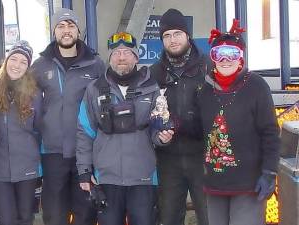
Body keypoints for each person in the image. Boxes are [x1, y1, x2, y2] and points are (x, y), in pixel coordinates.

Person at [76, 31, 173, 225]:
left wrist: (163, 137)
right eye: (116, 53)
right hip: (106, 178)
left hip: (143, 177)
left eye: (127, 52)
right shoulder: (94, 89)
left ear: (136, 57)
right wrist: (84, 171)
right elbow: (85, 132)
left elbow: (157, 126)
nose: (121, 57)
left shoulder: (152, 87)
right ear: (109, 58)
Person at [198, 19, 280, 225]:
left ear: (241, 57)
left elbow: (270, 133)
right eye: (219, 54)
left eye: (232, 54)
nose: (226, 60)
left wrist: (269, 172)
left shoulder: (256, 86)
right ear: (213, 58)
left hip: (248, 183)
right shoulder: (205, 89)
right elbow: (198, 128)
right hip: (215, 183)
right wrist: (172, 126)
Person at [32, 8, 105, 225]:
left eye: (71, 26)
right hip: (52, 152)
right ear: (54, 32)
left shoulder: (95, 64)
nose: (66, 31)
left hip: (86, 153)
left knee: (85, 215)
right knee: (55, 216)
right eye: (61, 26)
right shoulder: (39, 66)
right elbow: (28, 107)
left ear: (78, 31)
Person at [149, 8, 210, 225]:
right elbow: (149, 115)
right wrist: (158, 134)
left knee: (210, 216)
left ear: (187, 35)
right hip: (168, 160)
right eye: (166, 35)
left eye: (177, 33)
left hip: (203, 157)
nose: (172, 40)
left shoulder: (207, 67)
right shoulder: (154, 73)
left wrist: (186, 124)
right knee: (168, 218)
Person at [0, 40, 42, 225]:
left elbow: (40, 127)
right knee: (5, 219)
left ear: (28, 67)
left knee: (25, 217)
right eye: (14, 59)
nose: (17, 65)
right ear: (7, 60)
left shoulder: (34, 94)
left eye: (23, 62)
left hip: (27, 165)